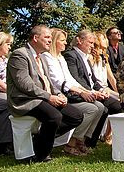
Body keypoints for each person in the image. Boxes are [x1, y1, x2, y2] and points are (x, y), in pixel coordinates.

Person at [7, 25, 83, 164]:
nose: (50, 40)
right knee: (54, 116)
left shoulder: (40, 57)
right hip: (26, 100)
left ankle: (39, 141)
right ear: (36, 38)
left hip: (43, 98)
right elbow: (24, 84)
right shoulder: (19, 55)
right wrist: (49, 97)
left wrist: (59, 95)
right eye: (47, 37)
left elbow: (47, 82)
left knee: (75, 116)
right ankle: (42, 155)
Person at [41, 29, 109, 155]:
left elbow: (70, 79)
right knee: (92, 109)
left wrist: (87, 91)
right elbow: (58, 82)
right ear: (55, 41)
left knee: (100, 107)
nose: (65, 43)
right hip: (59, 95)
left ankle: (81, 140)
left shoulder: (60, 58)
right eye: (62, 40)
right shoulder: (47, 57)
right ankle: (72, 142)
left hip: (68, 93)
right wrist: (82, 92)